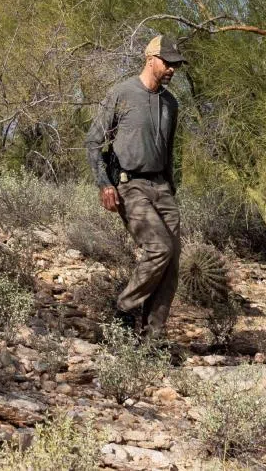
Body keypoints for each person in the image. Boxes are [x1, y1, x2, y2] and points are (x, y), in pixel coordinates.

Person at [85, 35, 186, 338]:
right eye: (167, 62)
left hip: (163, 188)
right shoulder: (121, 93)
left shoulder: (171, 102)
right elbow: (93, 142)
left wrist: (170, 187)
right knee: (159, 248)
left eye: (175, 65)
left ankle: (152, 339)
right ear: (150, 58)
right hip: (130, 186)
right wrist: (105, 184)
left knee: (171, 263)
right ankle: (124, 310)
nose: (172, 69)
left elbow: (169, 151)